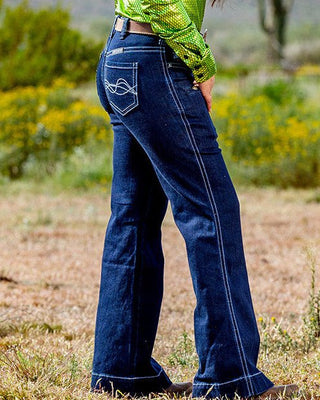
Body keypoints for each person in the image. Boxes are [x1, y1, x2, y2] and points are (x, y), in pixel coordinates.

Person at [90, 0, 298, 398]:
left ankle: (121, 372)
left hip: (123, 53)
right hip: (155, 61)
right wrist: (201, 61)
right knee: (212, 214)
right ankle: (230, 378)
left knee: (133, 218)